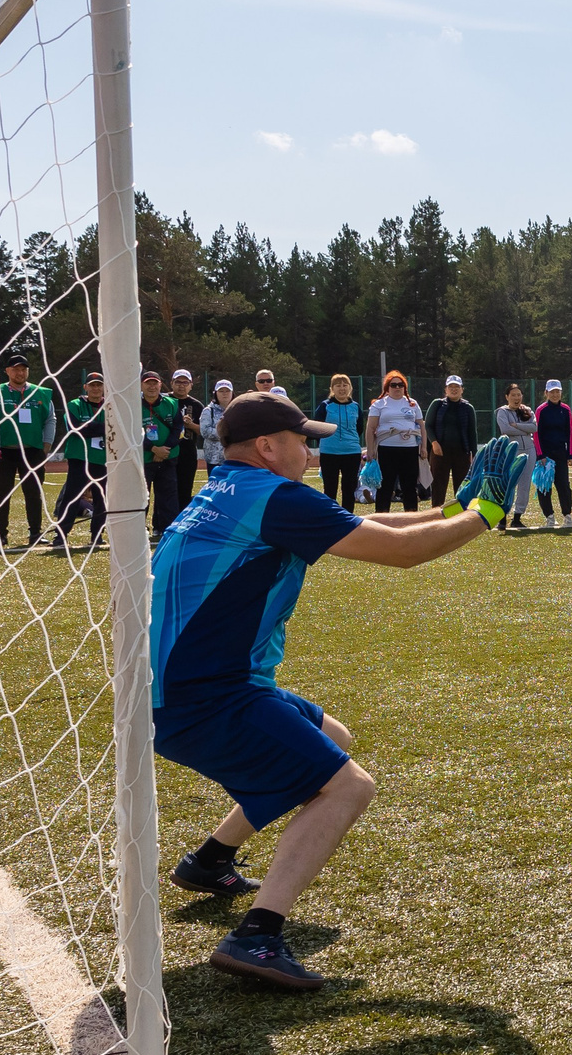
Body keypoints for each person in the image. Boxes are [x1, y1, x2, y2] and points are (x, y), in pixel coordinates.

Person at [154, 394, 526, 989]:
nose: (312, 449)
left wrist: (456, 505)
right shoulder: (275, 497)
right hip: (205, 696)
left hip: (192, 685)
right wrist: (484, 513)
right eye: (302, 439)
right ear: (267, 448)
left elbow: (365, 525)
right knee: (348, 786)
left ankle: (210, 861)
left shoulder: (233, 488)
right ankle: (258, 935)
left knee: (332, 738)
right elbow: (402, 553)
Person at [0, 351, 57, 552]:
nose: (20, 372)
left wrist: (47, 444)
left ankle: (35, 532)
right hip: (4, 451)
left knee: (34, 493)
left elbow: (50, 419)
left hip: (32, 451)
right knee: (2, 493)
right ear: (7, 371)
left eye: (23, 369)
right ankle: (0, 535)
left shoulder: (41, 393)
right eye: (15, 369)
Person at [50, 372, 109, 551]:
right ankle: (60, 535)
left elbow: (115, 427)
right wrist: (102, 428)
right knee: (71, 496)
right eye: (92, 385)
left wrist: (93, 428)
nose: (96, 388)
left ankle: (97, 535)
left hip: (103, 459)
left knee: (102, 499)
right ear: (85, 387)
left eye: (99, 385)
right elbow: (76, 429)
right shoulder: (74, 405)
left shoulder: (110, 406)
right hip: (80, 458)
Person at [363, 371, 424, 514]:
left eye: (400, 385)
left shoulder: (412, 404)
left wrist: (424, 448)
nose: (397, 387)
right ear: (387, 387)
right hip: (386, 450)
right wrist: (370, 450)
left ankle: (412, 520)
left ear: (405, 387)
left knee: (409, 487)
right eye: (393, 385)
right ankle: (381, 519)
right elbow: (370, 428)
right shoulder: (379, 404)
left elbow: (421, 426)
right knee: (385, 486)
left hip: (410, 450)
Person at [425, 376, 479, 510]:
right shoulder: (437, 404)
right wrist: (434, 443)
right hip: (440, 452)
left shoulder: (468, 408)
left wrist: (474, 454)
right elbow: (428, 426)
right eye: (451, 387)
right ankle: (435, 514)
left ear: (462, 390)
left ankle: (461, 514)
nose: (454, 390)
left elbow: (472, 433)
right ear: (445, 390)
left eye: (457, 387)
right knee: (438, 485)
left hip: (462, 452)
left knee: (462, 486)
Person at [142, 369, 184, 536]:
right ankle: (139, 529)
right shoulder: (133, 405)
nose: (152, 387)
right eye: (148, 383)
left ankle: (167, 530)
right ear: (141, 385)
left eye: (155, 383)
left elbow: (178, 429)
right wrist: (153, 449)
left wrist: (164, 449)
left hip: (168, 457)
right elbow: (131, 432)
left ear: (160, 385)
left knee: (168, 495)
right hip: (144, 458)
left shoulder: (171, 403)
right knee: (141, 496)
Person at [315, 375, 364, 511]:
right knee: (330, 488)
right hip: (329, 452)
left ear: (350, 387)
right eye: (338, 385)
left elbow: (359, 428)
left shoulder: (356, 407)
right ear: (332, 389)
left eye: (345, 385)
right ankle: (330, 518)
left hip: (352, 452)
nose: (342, 388)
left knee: (349, 488)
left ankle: (348, 519)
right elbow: (317, 427)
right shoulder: (325, 406)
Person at [491, 382, 536, 529]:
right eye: (513, 395)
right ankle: (502, 517)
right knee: (508, 484)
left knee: (525, 485)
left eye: (519, 395)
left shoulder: (527, 410)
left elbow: (534, 428)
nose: (516, 398)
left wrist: (517, 426)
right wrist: (525, 430)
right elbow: (505, 429)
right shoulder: (502, 412)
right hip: (511, 451)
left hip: (529, 450)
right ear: (507, 397)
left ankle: (517, 517)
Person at [534, 379, 572, 529]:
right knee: (544, 486)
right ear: (546, 393)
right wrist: (540, 455)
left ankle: (567, 515)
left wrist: (570, 454)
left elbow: (570, 432)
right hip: (545, 455)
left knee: (564, 485)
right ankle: (549, 517)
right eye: (552, 392)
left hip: (561, 453)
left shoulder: (565, 410)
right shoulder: (540, 410)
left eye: (557, 391)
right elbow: (536, 434)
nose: (555, 394)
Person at [169, 370, 203, 507]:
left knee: (185, 489)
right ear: (171, 383)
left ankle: (181, 522)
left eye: (185, 382)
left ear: (191, 385)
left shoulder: (196, 405)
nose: (181, 386)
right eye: (178, 382)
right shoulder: (164, 401)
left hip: (187, 451)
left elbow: (203, 431)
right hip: (167, 451)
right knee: (165, 489)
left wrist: (190, 425)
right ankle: (160, 524)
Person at [199, 379, 234, 494]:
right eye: (221, 391)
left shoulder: (237, 410)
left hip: (233, 457)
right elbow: (205, 431)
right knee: (215, 490)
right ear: (215, 393)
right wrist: (226, 433)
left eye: (227, 391)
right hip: (214, 459)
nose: (224, 393)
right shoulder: (208, 411)